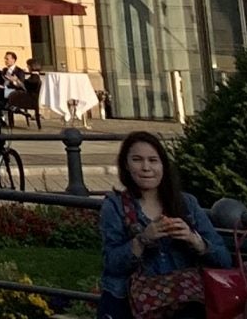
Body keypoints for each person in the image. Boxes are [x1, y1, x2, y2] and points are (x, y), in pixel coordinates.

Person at [98, 131, 231, 319]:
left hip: (184, 302)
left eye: (153, 160)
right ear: (126, 165)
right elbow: (111, 264)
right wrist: (142, 240)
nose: (146, 168)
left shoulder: (186, 204)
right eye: (137, 160)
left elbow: (224, 260)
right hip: (132, 305)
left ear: (163, 165)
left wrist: (194, 240)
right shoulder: (115, 205)